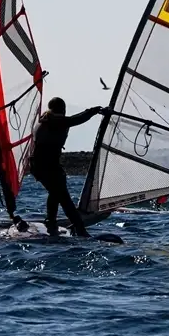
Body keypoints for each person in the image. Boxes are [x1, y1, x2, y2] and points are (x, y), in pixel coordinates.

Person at [27, 97, 106, 237]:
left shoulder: (45, 119)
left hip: (41, 166)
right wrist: (94, 111)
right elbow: (75, 119)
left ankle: (51, 221)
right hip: (47, 167)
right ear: (62, 110)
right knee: (64, 198)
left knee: (55, 193)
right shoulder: (55, 121)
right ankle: (80, 229)